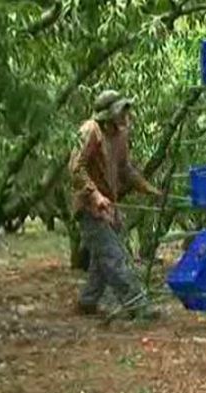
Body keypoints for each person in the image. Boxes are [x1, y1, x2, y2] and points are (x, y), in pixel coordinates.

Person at [69, 89, 162, 319]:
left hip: (109, 206)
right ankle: (138, 305)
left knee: (103, 259)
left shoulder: (119, 135)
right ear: (109, 114)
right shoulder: (90, 131)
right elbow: (75, 169)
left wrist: (148, 189)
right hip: (90, 208)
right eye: (121, 110)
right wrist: (95, 195)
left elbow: (125, 169)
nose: (126, 115)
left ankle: (87, 302)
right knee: (114, 256)